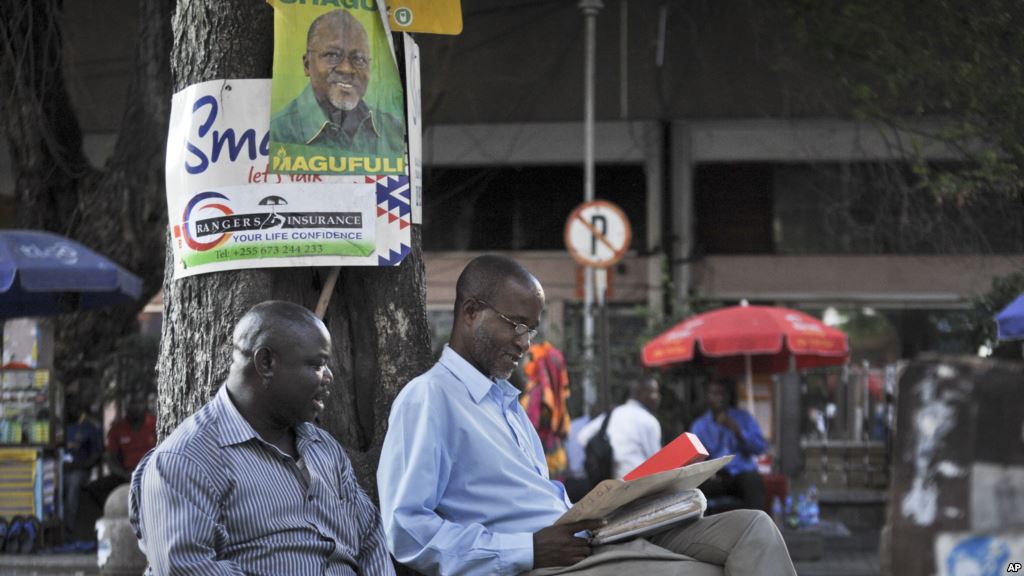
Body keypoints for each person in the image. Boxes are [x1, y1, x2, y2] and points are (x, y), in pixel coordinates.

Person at [378, 255, 796, 576]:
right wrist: (527, 549)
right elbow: (407, 530)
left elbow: (534, 498)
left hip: (591, 536)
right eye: (516, 325)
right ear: (471, 313)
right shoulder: (429, 399)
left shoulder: (508, 406)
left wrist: (622, 506)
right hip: (547, 563)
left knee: (754, 530)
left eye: (531, 330)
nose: (525, 344)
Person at [129, 301, 394, 575]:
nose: (328, 377)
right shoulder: (185, 461)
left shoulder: (323, 447)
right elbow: (187, 569)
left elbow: (371, 538)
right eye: (317, 365)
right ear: (266, 363)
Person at [270, 9, 405, 156]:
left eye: (359, 59)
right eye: (332, 55)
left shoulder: (392, 131)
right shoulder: (278, 132)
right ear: (307, 65)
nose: (346, 69)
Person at [690, 377, 768, 512]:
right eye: (715, 393)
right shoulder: (699, 426)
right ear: (708, 397)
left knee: (753, 480)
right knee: (696, 489)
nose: (719, 398)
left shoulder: (744, 418)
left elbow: (760, 448)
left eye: (722, 393)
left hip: (741, 473)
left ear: (728, 396)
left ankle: (756, 526)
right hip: (716, 476)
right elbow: (695, 458)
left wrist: (738, 431)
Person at [577, 377, 662, 481]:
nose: (658, 397)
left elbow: (582, 437)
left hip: (612, 482)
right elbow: (657, 463)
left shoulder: (615, 413)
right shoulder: (650, 421)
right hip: (639, 483)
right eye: (654, 392)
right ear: (641, 394)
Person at [84, 391, 157, 510]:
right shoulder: (117, 428)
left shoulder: (154, 423)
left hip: (151, 471)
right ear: (126, 406)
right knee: (94, 488)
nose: (135, 407)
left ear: (144, 404)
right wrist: (124, 474)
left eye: (138, 403)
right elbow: (110, 456)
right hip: (126, 474)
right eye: (131, 403)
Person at [519, 341, 572, 481]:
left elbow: (530, 430)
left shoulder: (538, 394)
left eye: (530, 358)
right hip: (556, 457)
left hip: (541, 461)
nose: (525, 362)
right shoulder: (553, 394)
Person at [63, 392, 102, 540]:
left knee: (72, 485)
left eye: (72, 406)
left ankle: (68, 530)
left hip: (79, 470)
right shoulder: (60, 425)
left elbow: (96, 455)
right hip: (60, 469)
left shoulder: (89, 427)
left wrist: (80, 465)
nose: (69, 409)